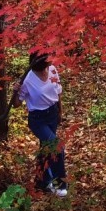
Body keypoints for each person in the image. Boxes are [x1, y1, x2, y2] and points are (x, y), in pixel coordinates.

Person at [17, 54, 67, 197]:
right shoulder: (28, 80)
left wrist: (60, 111)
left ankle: (41, 182)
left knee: (46, 149)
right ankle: (59, 184)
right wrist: (16, 90)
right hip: (38, 119)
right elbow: (16, 104)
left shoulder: (52, 69)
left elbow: (58, 91)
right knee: (57, 147)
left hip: (52, 113)